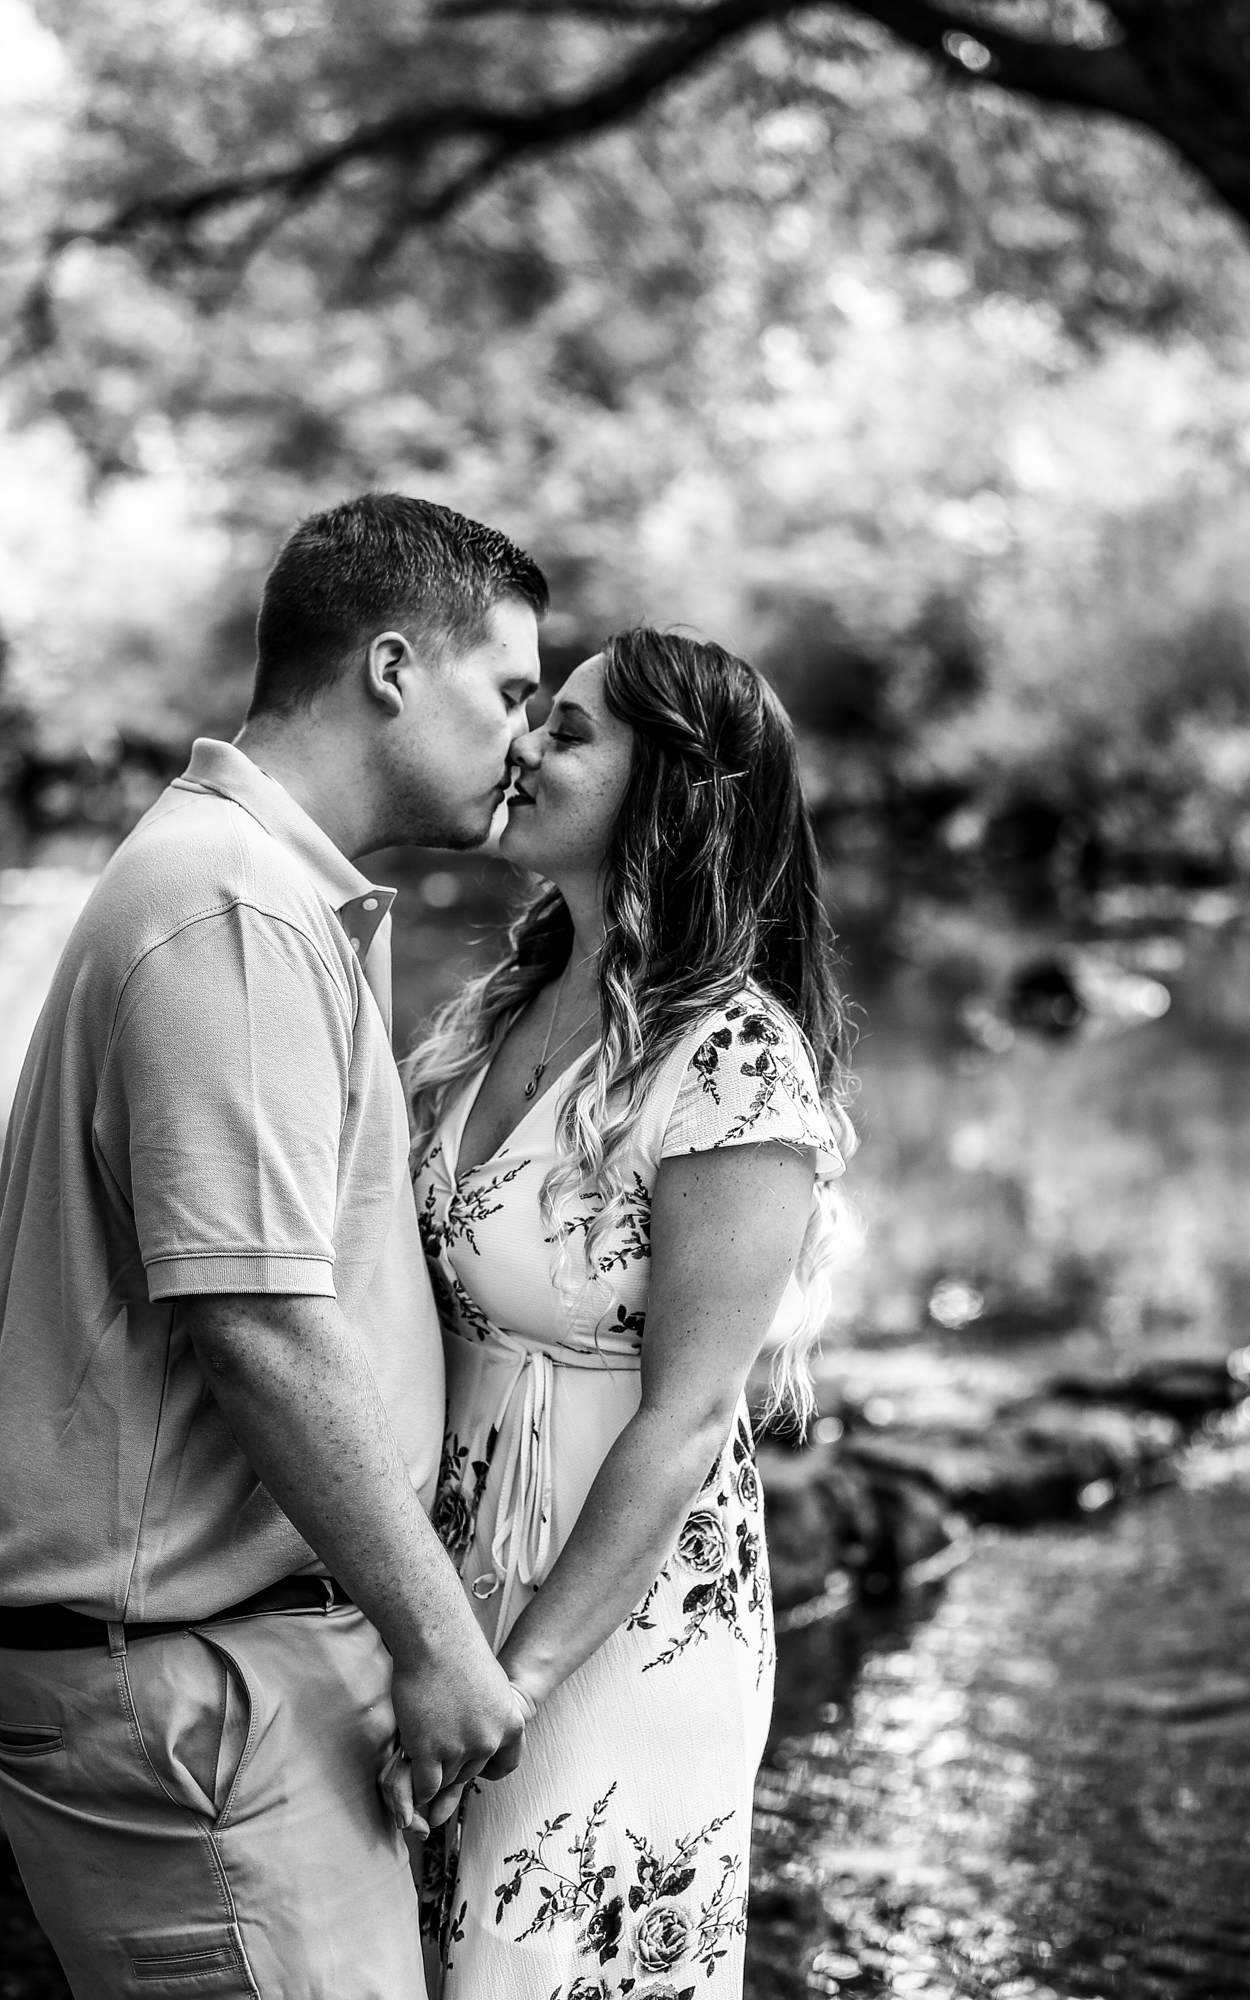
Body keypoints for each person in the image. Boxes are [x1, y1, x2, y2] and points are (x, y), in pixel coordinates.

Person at [0, 493, 548, 1999]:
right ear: (389, 668)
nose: (526, 738)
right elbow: (251, 1322)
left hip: (228, 1669)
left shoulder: (254, 887)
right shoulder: (230, 906)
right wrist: (439, 1644)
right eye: (508, 690)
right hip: (197, 1687)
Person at [397, 626, 853, 1998]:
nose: (526, 744)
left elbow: (691, 1411)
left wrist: (516, 1680)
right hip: (451, 1577)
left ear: (678, 788)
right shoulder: (509, 1002)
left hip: (610, 1625)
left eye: (574, 728)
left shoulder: (730, 1064)